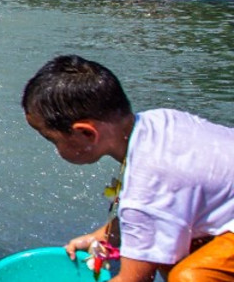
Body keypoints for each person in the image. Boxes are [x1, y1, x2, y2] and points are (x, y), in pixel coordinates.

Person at [25, 55, 234, 282]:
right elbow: (156, 213)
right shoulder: (159, 122)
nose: (56, 150)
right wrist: (104, 237)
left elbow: (133, 280)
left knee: (190, 277)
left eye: (52, 140)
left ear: (86, 133)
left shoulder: (147, 187)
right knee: (165, 249)